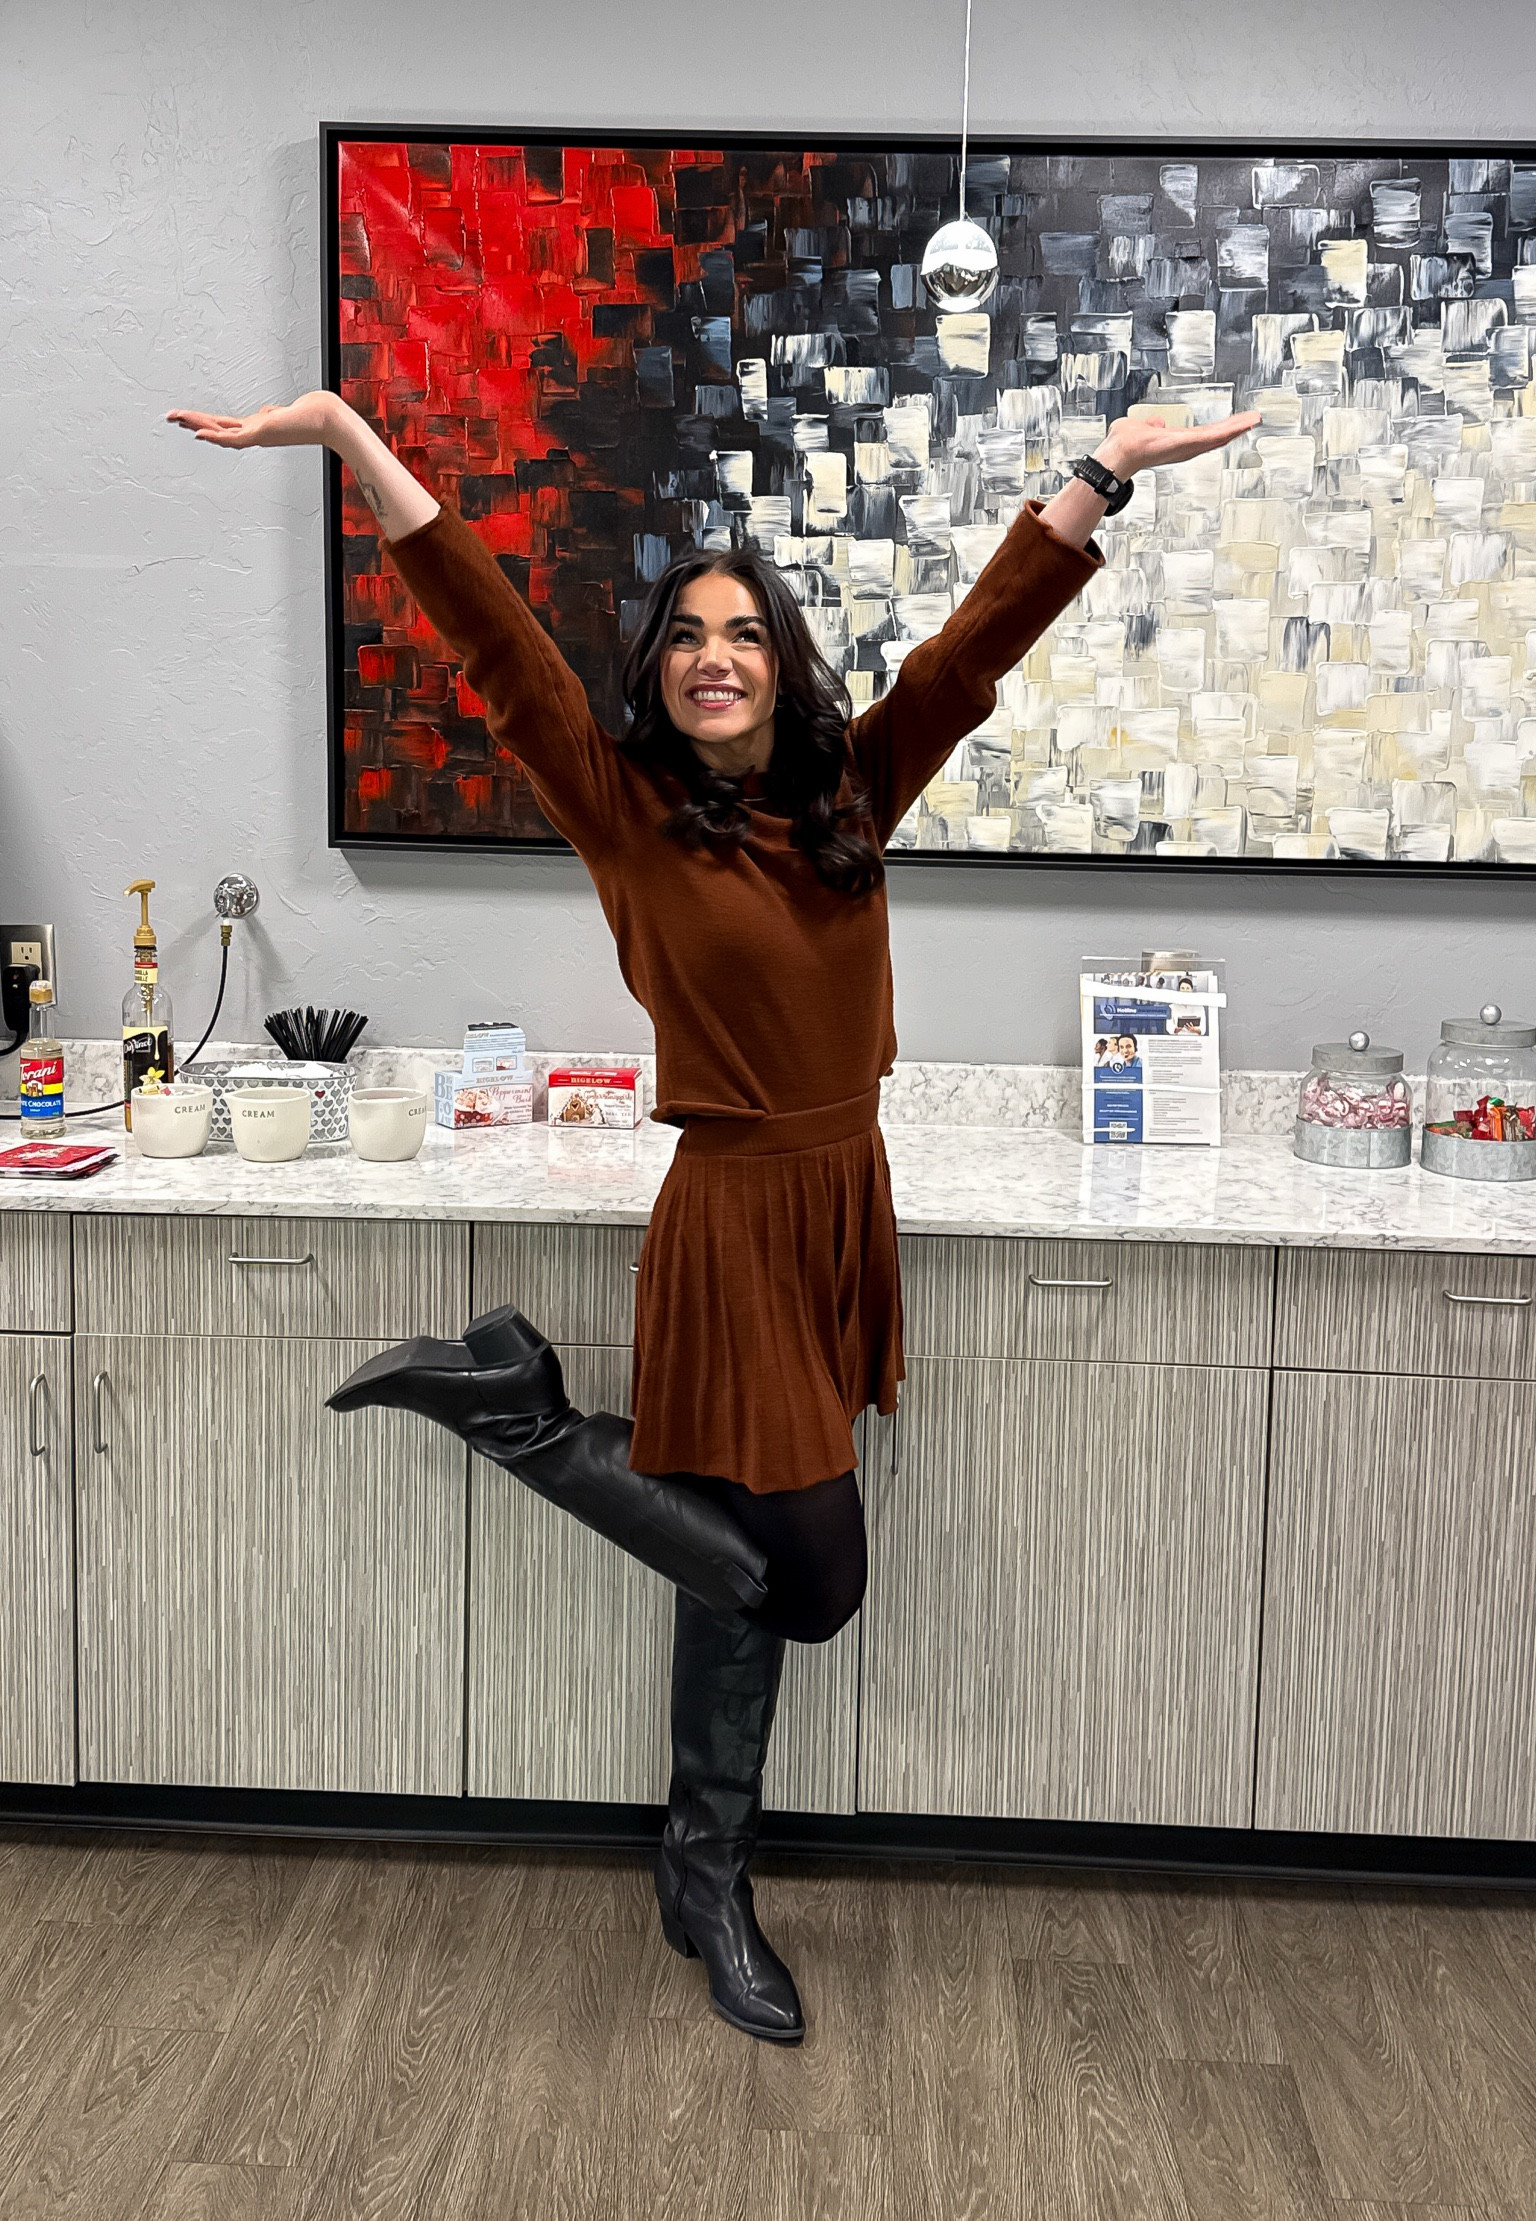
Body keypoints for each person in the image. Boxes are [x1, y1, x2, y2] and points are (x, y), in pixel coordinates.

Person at [169, 387, 1259, 2043]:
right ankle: (524, 1417)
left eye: (743, 631)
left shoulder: (852, 789)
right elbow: (501, 651)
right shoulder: (622, 810)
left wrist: (1102, 470)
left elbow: (973, 652)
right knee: (814, 1584)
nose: (713, 656)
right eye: (685, 636)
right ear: (659, 672)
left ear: (781, 659)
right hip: (737, 1213)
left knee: (736, 1575)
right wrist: (343, 436)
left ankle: (705, 1873)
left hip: (844, 1204)